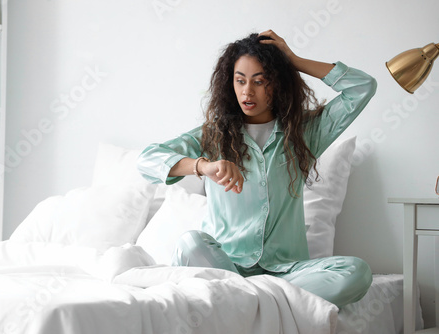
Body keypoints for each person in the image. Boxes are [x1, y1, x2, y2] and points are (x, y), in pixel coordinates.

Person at [137, 29, 377, 308]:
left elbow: (362, 87)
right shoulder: (214, 135)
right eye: (240, 81)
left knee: (355, 273)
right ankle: (263, 300)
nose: (247, 91)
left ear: (277, 84)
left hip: (286, 270)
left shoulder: (305, 134)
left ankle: (239, 300)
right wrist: (203, 166)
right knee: (191, 243)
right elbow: (147, 160)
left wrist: (294, 60)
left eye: (259, 81)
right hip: (226, 265)